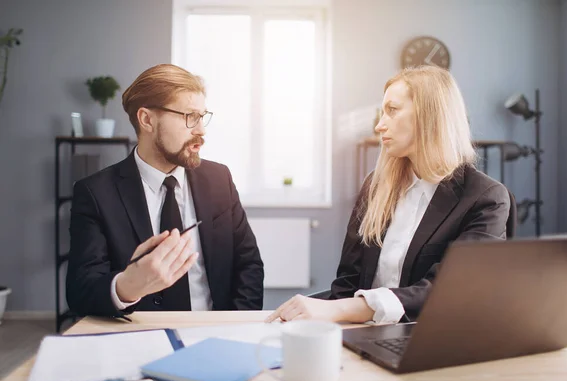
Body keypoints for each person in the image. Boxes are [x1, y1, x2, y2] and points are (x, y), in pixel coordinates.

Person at [266, 65, 510, 324]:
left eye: (392, 111)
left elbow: (451, 290)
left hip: (431, 343)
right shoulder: (375, 186)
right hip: (363, 335)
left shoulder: (486, 198)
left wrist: (341, 310)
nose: (380, 126)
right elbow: (348, 283)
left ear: (430, 116)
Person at [67, 64, 264, 318]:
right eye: (189, 117)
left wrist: (235, 328)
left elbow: (248, 265)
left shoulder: (219, 180)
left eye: (202, 117)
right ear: (147, 120)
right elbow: (80, 292)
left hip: (214, 333)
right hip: (136, 339)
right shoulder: (95, 193)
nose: (201, 130)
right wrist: (128, 285)